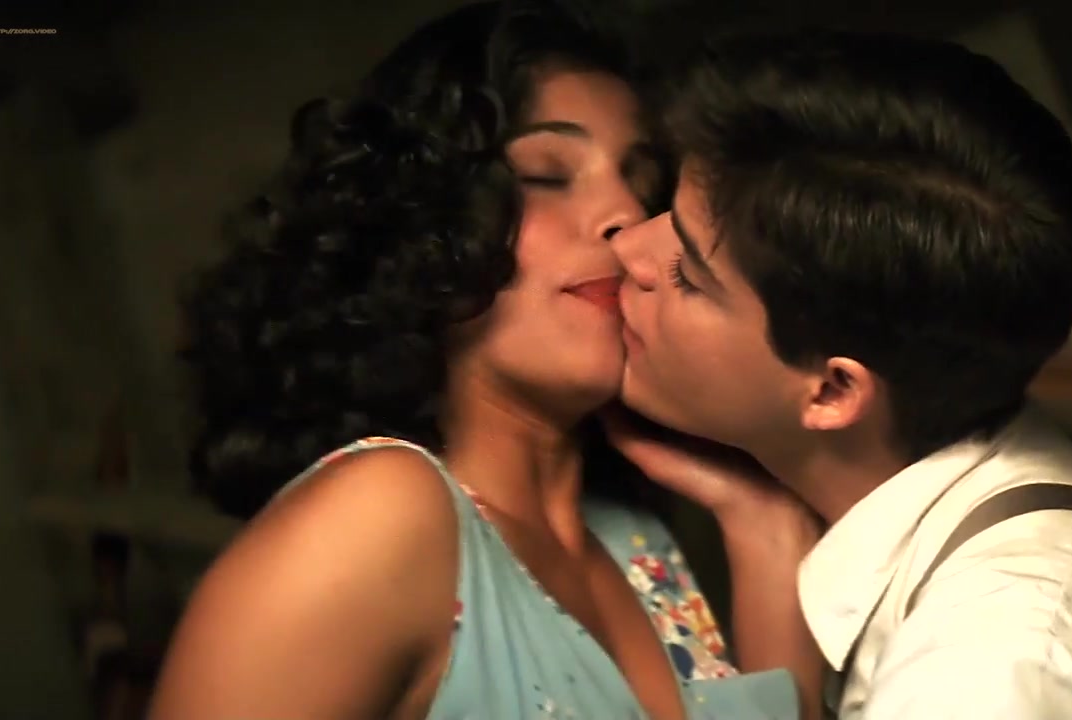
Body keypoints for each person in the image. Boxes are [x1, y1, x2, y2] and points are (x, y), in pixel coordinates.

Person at [150, 3, 821, 718]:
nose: (627, 214)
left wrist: (764, 519)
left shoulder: (636, 542)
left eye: (642, 180)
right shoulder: (380, 516)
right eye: (545, 175)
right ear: (422, 226)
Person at [607, 29, 1072, 719]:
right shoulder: (980, 469)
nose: (627, 247)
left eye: (687, 273)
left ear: (833, 390)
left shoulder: (986, 680)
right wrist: (763, 520)